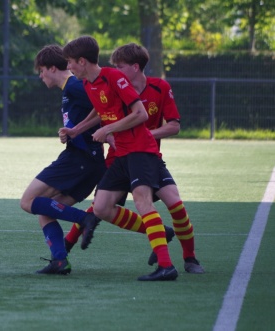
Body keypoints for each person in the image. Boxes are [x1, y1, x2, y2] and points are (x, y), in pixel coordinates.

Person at [62, 43, 204, 274]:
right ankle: (63, 251)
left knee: (170, 205)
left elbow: (154, 120)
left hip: (144, 154)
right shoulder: (93, 83)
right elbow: (100, 112)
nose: (116, 68)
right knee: (99, 206)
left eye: (120, 66)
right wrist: (76, 130)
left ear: (135, 68)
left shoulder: (141, 85)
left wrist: (110, 131)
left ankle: (185, 259)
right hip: (119, 156)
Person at [20, 45, 106, 275]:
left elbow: (105, 107)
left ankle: (86, 219)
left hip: (80, 159)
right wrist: (69, 132)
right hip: (90, 162)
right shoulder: (70, 89)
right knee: (46, 211)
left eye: (41, 70)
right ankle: (60, 261)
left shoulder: (75, 86)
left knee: (28, 201)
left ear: (51, 67)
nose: (40, 76)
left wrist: (106, 133)